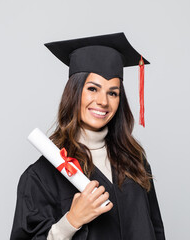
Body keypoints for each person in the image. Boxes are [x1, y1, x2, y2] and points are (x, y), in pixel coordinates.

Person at [10, 32, 165, 240]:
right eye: (93, 89)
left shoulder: (135, 160)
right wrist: (71, 221)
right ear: (74, 92)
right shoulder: (41, 176)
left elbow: (155, 231)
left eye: (113, 92)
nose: (103, 101)